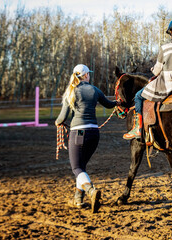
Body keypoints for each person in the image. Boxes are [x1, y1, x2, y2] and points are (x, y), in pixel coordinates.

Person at [55, 64, 120, 213]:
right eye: (88, 74)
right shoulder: (95, 90)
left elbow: (62, 117)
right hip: (94, 134)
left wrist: (57, 122)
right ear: (85, 76)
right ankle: (78, 199)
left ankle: (91, 191)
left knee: (76, 168)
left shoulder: (71, 92)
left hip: (78, 134)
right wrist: (118, 103)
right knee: (81, 167)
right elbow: (109, 105)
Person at [123, 18, 172, 140]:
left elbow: (157, 70)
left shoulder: (165, 48)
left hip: (167, 82)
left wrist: (153, 70)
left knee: (138, 96)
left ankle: (138, 128)